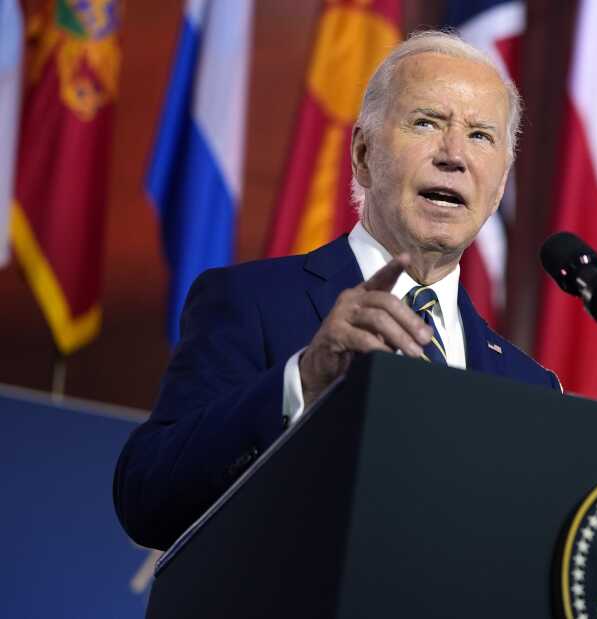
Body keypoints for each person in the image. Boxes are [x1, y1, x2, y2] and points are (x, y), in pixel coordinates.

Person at [114, 31, 560, 551]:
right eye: (426, 123)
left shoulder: (531, 388)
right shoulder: (250, 302)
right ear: (364, 154)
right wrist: (305, 378)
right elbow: (148, 497)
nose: (454, 155)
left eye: (481, 136)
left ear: (500, 183)